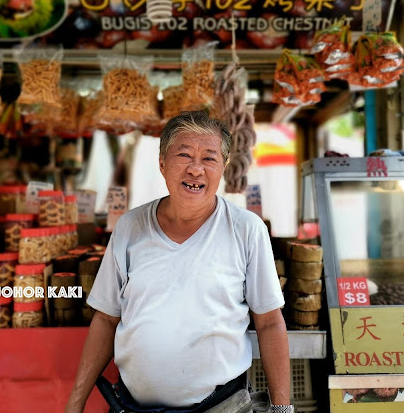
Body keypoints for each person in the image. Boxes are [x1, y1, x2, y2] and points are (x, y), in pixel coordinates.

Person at [66, 110, 291, 413]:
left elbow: (270, 323)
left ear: (223, 167)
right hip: (133, 407)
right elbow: (106, 319)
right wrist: (75, 404)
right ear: (162, 163)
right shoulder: (130, 227)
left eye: (209, 158)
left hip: (221, 406)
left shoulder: (246, 229)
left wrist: (282, 410)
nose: (196, 170)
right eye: (184, 155)